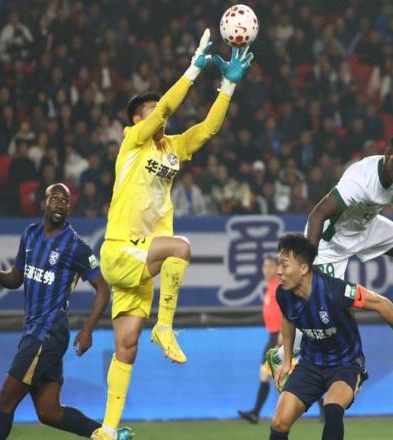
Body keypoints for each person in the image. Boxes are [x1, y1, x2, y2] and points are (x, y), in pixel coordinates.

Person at [92, 30, 254, 440]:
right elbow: (166, 105)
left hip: (141, 261)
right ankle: (165, 327)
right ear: (137, 120)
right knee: (182, 247)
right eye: (149, 111)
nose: (159, 115)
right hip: (121, 248)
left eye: (157, 111)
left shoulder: (172, 149)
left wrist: (228, 86)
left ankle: (107, 429)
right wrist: (193, 70)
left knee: (126, 347)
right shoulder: (133, 143)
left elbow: (208, 129)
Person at [0, 183, 121, 439]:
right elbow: (17, 278)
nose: (60, 203)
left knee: (5, 402)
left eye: (65, 200)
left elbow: (103, 288)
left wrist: (88, 330)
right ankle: (108, 436)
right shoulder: (30, 234)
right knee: (49, 411)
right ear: (43, 203)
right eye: (55, 198)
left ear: (69, 208)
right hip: (35, 331)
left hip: (47, 333)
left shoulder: (75, 246)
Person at [269, 234, 393, 440]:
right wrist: (287, 361)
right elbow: (288, 319)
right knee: (279, 422)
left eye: (285, 265)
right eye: (278, 264)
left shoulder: (336, 291)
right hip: (310, 364)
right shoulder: (283, 294)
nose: (278, 271)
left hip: (346, 365)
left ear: (303, 268)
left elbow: (382, 304)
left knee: (332, 407)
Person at [306, 132, 393, 313]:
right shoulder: (359, 182)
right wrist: (310, 261)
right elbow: (316, 216)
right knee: (328, 309)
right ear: (387, 154)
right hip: (333, 240)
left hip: (365, 225)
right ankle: (294, 336)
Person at [238, 256, 281, 424]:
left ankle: (257, 412)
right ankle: (256, 413)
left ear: (277, 268)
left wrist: (283, 334)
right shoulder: (270, 287)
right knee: (269, 375)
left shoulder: (279, 287)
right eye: (264, 266)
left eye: (270, 266)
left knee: (285, 377)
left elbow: (287, 310)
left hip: (280, 336)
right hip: (273, 336)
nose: (267, 270)